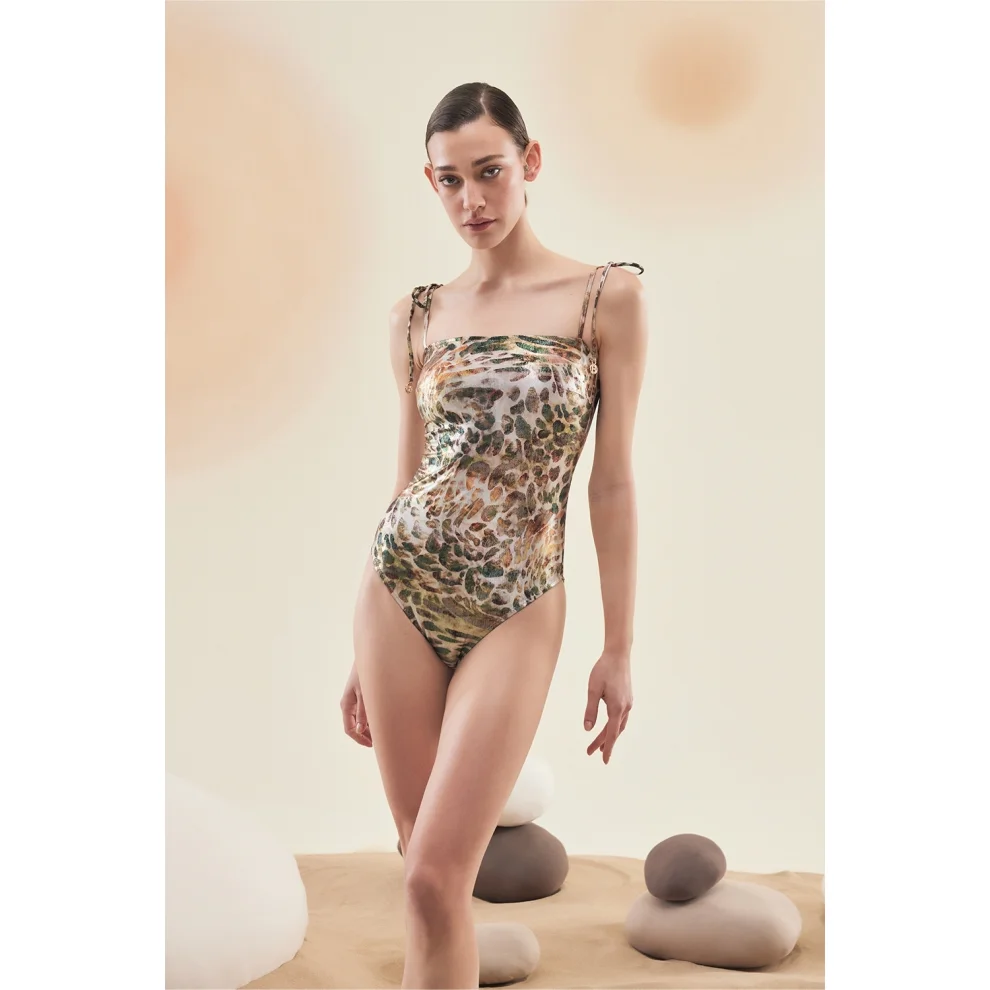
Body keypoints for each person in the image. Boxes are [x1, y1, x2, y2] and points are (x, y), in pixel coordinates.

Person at [342, 81, 649, 989]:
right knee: (421, 871)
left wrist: (619, 646)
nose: (471, 199)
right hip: (401, 589)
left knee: (439, 873)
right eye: (450, 180)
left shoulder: (606, 297)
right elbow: (408, 480)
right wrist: (361, 652)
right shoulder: (416, 315)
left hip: (520, 598)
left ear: (530, 162)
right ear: (430, 183)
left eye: (489, 172)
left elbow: (612, 481)